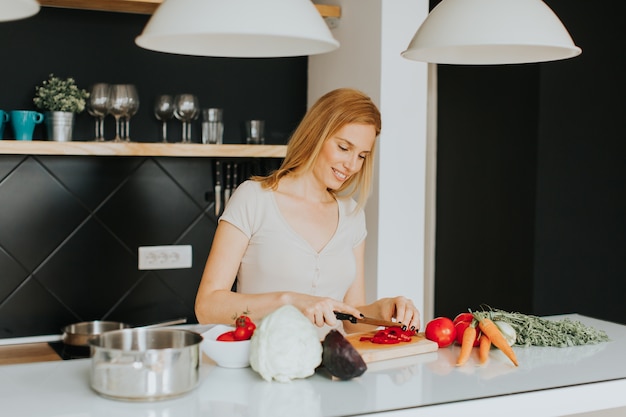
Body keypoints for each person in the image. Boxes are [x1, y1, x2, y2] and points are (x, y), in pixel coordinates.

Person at [195, 88, 420, 336]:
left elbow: (350, 317)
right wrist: (290, 301)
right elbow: (207, 307)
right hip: (262, 366)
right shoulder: (254, 199)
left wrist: (382, 309)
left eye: (362, 156)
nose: (352, 165)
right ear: (316, 134)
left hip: (331, 368)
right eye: (344, 148)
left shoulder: (352, 215)